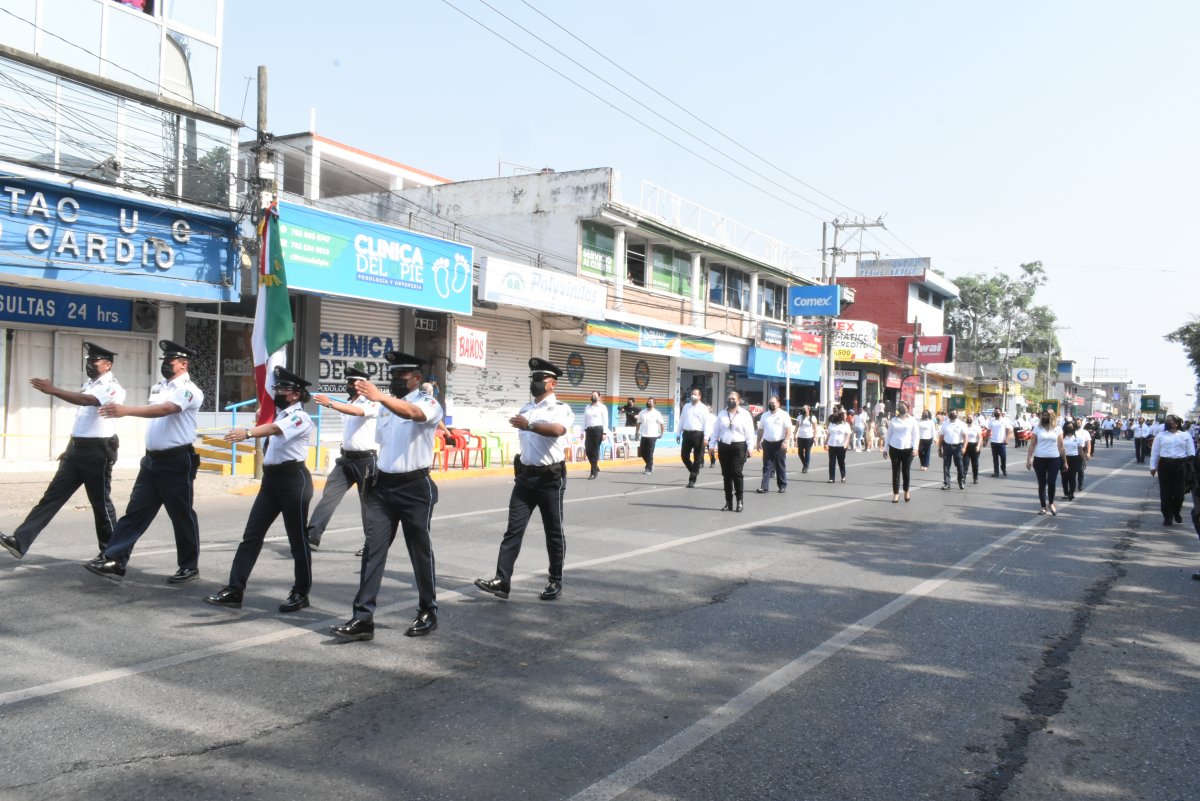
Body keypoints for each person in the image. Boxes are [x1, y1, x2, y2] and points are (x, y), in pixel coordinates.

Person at [330, 352, 445, 641]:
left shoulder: (427, 403)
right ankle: (362, 618)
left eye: (401, 377)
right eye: (392, 376)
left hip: (415, 487)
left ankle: (427, 610)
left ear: (417, 379)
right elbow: (385, 444)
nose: (394, 382)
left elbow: (413, 415)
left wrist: (380, 397)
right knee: (373, 551)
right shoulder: (384, 406)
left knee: (419, 550)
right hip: (383, 486)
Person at [84, 340, 203, 583]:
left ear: (183, 364)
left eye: (170, 362)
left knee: (181, 515)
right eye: (165, 362)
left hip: (177, 459)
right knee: (135, 512)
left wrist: (126, 410)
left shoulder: (189, 390)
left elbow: (166, 410)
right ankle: (115, 559)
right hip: (152, 461)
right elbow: (157, 410)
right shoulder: (159, 387)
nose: (166, 366)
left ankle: (189, 566)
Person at [1, 342, 125, 560]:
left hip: (98, 451)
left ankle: (112, 554)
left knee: (100, 504)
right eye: (88, 362)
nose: (90, 365)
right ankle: (20, 541)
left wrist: (53, 390)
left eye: (94, 362)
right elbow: (82, 421)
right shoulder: (89, 384)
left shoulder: (112, 387)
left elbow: (88, 402)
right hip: (76, 451)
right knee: (51, 498)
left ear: (107, 364)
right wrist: (70, 449)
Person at [204, 367, 315, 613]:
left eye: (282, 389)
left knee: (297, 540)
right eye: (276, 389)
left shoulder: (299, 418)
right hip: (272, 481)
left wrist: (248, 432)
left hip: (293, 480)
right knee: (251, 537)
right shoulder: (276, 414)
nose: (277, 393)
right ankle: (234, 589)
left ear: (296, 394)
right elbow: (271, 424)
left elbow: (276, 430)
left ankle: (300, 592)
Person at [474, 358, 574, 601]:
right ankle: (502, 580)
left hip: (550, 477)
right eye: (533, 379)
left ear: (552, 384)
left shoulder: (561, 408)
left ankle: (555, 580)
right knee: (513, 530)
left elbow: (558, 431)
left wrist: (529, 426)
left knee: (553, 530)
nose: (535, 383)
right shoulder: (526, 409)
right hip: (525, 478)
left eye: (540, 379)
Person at [305, 366, 379, 550]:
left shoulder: (371, 402)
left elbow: (357, 412)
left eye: (352, 383)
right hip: (345, 459)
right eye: (347, 382)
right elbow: (349, 410)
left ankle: (371, 544)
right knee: (329, 496)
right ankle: (312, 536)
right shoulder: (348, 401)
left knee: (367, 504)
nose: (348, 386)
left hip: (366, 461)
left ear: (362, 385)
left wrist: (330, 403)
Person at [709, 390, 755, 511]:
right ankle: (728, 501)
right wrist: (711, 445)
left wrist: (750, 447)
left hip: (739, 446)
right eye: (729, 398)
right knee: (726, 474)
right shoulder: (722, 414)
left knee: (736, 472)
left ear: (738, 401)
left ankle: (739, 500)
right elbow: (716, 431)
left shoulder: (745, 414)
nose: (731, 401)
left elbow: (749, 432)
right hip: (724, 446)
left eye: (733, 399)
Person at [1150, 415, 1195, 527]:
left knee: (1179, 493)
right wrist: (1153, 466)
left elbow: (1191, 452)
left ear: (1177, 423)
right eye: (1167, 422)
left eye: (1171, 422)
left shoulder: (1185, 435)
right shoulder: (1161, 436)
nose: (1169, 424)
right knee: (1165, 493)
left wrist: (1190, 467)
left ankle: (1176, 511)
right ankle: (1167, 516)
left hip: (1180, 466)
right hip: (1165, 465)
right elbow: (1155, 452)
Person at [1026, 409, 1066, 515]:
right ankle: (1043, 507)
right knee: (1042, 484)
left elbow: (1061, 447)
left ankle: (1051, 503)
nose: (1045, 417)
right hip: (1039, 459)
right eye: (1043, 415)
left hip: (1054, 459)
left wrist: (1065, 461)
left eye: (1047, 415)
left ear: (1052, 417)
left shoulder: (1058, 429)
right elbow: (1032, 445)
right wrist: (1029, 459)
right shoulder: (1037, 428)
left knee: (1052, 482)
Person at [755, 395, 793, 494]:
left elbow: (788, 429)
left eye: (773, 403)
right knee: (767, 466)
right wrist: (758, 442)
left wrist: (785, 441)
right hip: (767, 443)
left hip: (779, 444)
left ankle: (782, 486)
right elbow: (761, 430)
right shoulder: (765, 415)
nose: (771, 404)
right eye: (770, 403)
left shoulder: (783, 415)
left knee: (780, 465)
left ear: (778, 404)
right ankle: (764, 487)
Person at [883, 401, 919, 502]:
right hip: (894, 447)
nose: (901, 407)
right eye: (899, 406)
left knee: (906, 471)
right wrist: (885, 449)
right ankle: (896, 493)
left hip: (908, 448)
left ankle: (906, 491)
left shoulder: (912, 420)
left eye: (903, 406)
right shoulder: (894, 420)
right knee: (895, 471)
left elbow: (916, 435)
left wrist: (915, 448)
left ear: (907, 408)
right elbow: (889, 435)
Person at [677, 388, 710, 488]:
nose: (693, 396)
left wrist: (706, 438)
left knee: (697, 458)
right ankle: (693, 471)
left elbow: (707, 423)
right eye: (692, 394)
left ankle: (692, 480)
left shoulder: (704, 408)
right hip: (687, 434)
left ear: (699, 396)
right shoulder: (686, 406)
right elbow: (681, 420)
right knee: (684, 456)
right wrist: (678, 433)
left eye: (695, 394)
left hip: (698, 435)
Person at [937, 410, 968, 490]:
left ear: (957, 414)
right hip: (947, 446)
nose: (952, 414)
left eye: (954, 413)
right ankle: (947, 483)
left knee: (959, 465)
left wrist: (964, 447)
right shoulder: (945, 424)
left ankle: (961, 480)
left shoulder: (961, 424)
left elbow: (965, 437)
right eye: (951, 413)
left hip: (958, 447)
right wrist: (939, 449)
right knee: (946, 466)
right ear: (948, 414)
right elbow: (941, 438)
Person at [581, 390, 608, 480]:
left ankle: (593, 473)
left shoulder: (602, 407)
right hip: (589, 430)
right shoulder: (587, 407)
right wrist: (581, 432)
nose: (593, 397)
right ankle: (595, 466)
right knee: (588, 450)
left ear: (599, 397)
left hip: (598, 430)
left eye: (595, 396)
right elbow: (584, 420)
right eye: (592, 395)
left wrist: (604, 433)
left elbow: (605, 421)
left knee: (595, 451)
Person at [1060, 421, 1089, 502]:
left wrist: (1084, 460)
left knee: (1072, 477)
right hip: (1063, 458)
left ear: (1074, 427)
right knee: (1064, 477)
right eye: (1067, 426)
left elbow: (1080, 450)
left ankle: (1071, 493)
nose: (1069, 428)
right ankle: (1066, 493)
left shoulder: (1079, 437)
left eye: (1071, 426)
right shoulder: (1061, 437)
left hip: (1075, 459)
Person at [635, 398, 665, 474]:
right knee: (642, 452)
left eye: (651, 402)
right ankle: (650, 464)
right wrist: (636, 432)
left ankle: (648, 468)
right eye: (648, 401)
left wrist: (662, 433)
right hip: (644, 435)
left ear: (654, 404)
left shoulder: (657, 413)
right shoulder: (642, 412)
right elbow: (638, 423)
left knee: (650, 452)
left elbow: (662, 423)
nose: (649, 402)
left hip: (653, 436)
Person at [825, 408, 852, 484]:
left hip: (841, 445)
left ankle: (843, 476)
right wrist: (825, 442)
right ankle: (831, 478)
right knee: (831, 462)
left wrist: (846, 443)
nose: (846, 416)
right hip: (832, 444)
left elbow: (848, 434)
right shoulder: (832, 424)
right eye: (844, 415)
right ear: (840, 416)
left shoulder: (845, 424)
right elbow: (829, 433)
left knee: (841, 461)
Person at [987, 409, 1012, 477]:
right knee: (995, 458)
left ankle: (1003, 469)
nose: (996, 412)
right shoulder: (991, 420)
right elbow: (988, 430)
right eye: (995, 412)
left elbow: (1008, 430)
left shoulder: (1004, 420)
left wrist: (1007, 439)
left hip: (1002, 442)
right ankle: (996, 472)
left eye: (998, 411)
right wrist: (985, 440)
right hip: (993, 442)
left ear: (1000, 413)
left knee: (1003, 457)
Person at [794, 405, 817, 474]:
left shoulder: (812, 417)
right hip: (800, 437)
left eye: (804, 408)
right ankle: (805, 464)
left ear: (808, 409)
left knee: (807, 452)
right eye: (803, 408)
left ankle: (805, 467)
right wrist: (795, 434)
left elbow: (815, 429)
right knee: (800, 453)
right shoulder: (799, 417)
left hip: (809, 437)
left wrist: (815, 436)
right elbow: (796, 427)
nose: (803, 409)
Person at [963, 413, 983, 484]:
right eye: (968, 417)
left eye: (970, 418)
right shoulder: (964, 426)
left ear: (973, 419)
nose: (969, 419)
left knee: (975, 464)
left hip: (974, 446)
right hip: (966, 446)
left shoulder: (977, 427)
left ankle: (975, 477)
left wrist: (978, 446)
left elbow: (980, 437)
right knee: (965, 463)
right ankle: (963, 478)